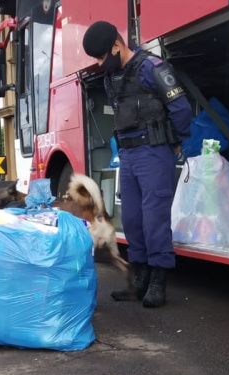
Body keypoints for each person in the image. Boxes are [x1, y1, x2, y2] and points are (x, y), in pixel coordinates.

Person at [83, 21, 193, 308]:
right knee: (132, 218)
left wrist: (177, 140)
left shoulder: (152, 67)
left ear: (117, 46)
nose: (98, 63)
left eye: (101, 57)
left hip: (155, 151)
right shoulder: (112, 77)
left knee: (154, 217)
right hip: (129, 156)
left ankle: (158, 279)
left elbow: (180, 108)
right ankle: (140, 277)